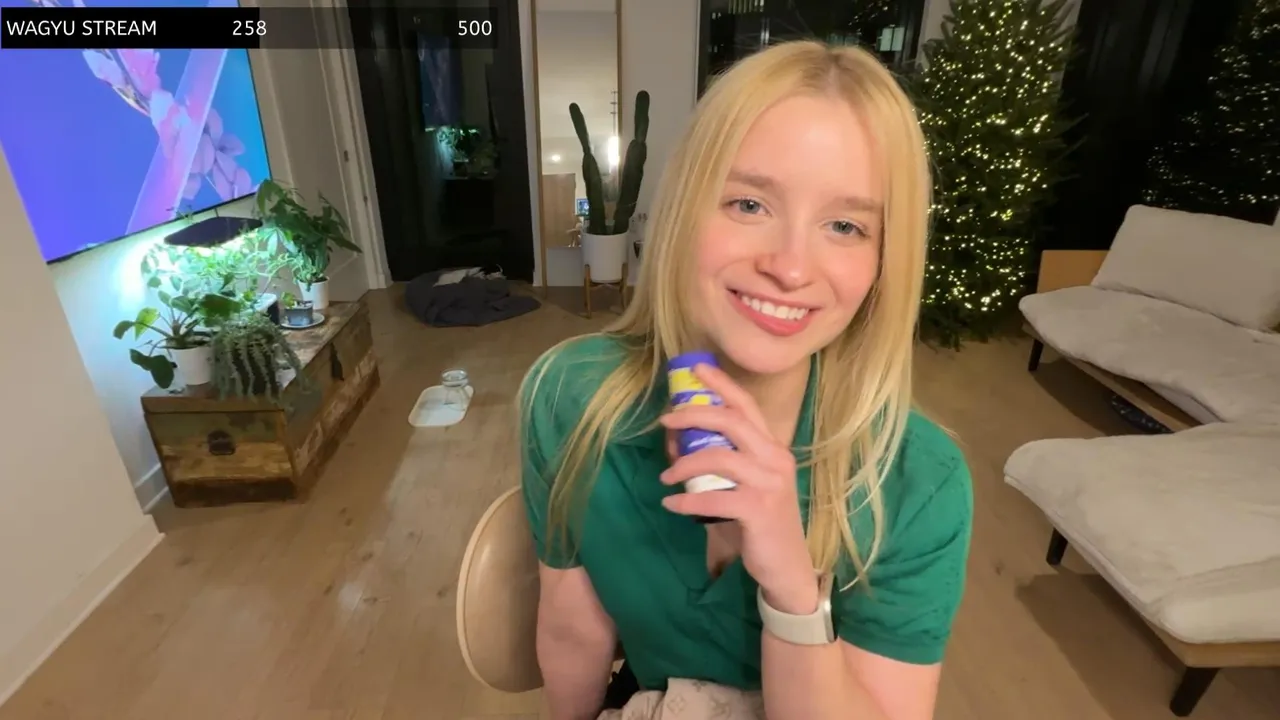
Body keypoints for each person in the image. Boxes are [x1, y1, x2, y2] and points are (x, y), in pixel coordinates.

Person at [519, 40, 973, 720]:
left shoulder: (916, 481)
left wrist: (791, 586)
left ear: (884, 261)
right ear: (684, 209)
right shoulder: (571, 399)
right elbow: (572, 629)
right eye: (749, 205)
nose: (790, 268)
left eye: (844, 225)